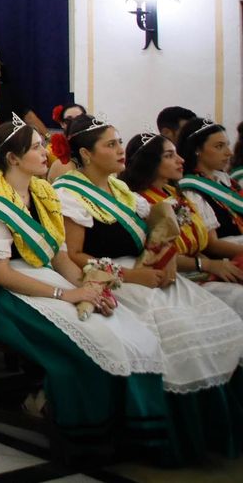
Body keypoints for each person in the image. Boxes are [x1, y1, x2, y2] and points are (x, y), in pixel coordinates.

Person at [0, 119, 168, 448]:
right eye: (34, 147)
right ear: (13, 159)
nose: (44, 152)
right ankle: (82, 427)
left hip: (43, 276)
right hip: (3, 293)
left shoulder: (42, 190)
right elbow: (1, 273)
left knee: (123, 325)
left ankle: (131, 423)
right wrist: (66, 294)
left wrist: (89, 289)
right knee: (93, 337)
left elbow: (59, 255)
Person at [55, 116, 243, 457]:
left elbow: (154, 232)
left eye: (119, 142)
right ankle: (176, 435)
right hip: (113, 277)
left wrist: (167, 257)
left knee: (216, 322)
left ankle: (218, 428)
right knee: (181, 332)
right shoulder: (70, 193)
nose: (119, 150)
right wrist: (130, 277)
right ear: (85, 153)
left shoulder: (122, 190)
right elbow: (75, 254)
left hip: (148, 271)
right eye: (110, 145)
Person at [122, 131, 243, 319]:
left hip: (201, 270)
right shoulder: (142, 203)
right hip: (176, 278)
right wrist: (208, 265)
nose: (181, 160)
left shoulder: (175, 193)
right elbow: (158, 255)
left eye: (176, 153)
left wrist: (217, 266)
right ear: (150, 162)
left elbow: (202, 244)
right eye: (169, 156)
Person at [176, 119, 243, 245]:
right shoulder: (191, 190)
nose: (229, 152)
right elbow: (211, 244)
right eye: (219, 146)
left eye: (227, 145)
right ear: (197, 149)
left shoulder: (225, 181)